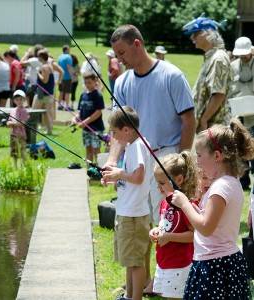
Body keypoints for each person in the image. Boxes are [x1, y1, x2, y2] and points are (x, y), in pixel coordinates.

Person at [107, 24, 196, 291]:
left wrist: (181, 161)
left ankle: (167, 280)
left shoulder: (171, 75)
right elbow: (116, 130)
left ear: (137, 44)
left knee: (166, 221)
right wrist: (112, 162)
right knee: (138, 220)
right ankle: (141, 282)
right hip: (134, 159)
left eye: (122, 52)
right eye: (116, 54)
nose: (119, 59)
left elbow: (188, 120)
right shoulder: (122, 81)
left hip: (165, 157)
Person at [171, 118, 254, 299]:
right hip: (222, 264)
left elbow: (206, 227)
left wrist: (185, 204)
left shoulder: (221, 187)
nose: (197, 162)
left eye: (199, 155)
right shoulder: (231, 183)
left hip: (215, 267)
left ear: (217, 156)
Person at [102, 106, 152, 300]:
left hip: (133, 215)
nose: (113, 137)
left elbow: (138, 177)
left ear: (126, 129)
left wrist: (120, 174)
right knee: (130, 261)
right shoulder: (133, 145)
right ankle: (129, 296)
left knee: (136, 262)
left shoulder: (138, 145)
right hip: (128, 212)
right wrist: (116, 178)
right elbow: (132, 178)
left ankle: (135, 297)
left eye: (114, 132)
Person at [149, 151, 197, 299]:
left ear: (179, 179)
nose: (159, 187)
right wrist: (156, 230)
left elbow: (194, 235)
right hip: (164, 261)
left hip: (180, 265)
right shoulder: (165, 202)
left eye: (162, 183)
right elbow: (167, 225)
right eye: (157, 183)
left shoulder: (186, 205)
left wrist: (169, 237)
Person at [183, 15, 232, 132]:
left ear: (208, 34)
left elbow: (219, 94)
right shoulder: (211, 57)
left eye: (195, 34)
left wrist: (204, 120)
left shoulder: (218, 58)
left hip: (215, 128)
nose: (192, 38)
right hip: (210, 127)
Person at [230, 36, 254, 190]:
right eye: (241, 54)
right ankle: (244, 181)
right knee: (240, 147)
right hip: (239, 115)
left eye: (245, 54)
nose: (243, 57)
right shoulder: (232, 66)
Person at [72, 74, 105, 163]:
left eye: (90, 82)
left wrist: (85, 122)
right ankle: (90, 171)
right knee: (88, 150)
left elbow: (98, 112)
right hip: (86, 129)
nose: (87, 85)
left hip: (96, 129)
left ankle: (100, 171)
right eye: (86, 83)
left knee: (96, 151)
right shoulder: (83, 95)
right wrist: (75, 118)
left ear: (95, 82)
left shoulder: (98, 95)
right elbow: (80, 111)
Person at [32, 49, 55, 135]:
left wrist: (38, 72)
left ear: (41, 57)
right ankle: (49, 131)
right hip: (49, 93)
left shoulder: (44, 67)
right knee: (46, 112)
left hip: (42, 92)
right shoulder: (49, 66)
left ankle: (33, 130)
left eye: (38, 56)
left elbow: (45, 80)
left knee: (34, 111)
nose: (37, 58)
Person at [6, 90, 30, 167]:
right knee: (14, 152)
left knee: (22, 151)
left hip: (21, 135)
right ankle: (15, 166)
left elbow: (22, 123)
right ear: (14, 100)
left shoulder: (24, 111)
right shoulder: (12, 110)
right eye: (17, 100)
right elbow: (9, 121)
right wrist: (8, 123)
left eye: (21, 99)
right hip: (13, 134)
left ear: (24, 100)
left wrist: (12, 123)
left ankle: (24, 166)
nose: (19, 101)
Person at [57, 45, 73, 110]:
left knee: (61, 91)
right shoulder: (68, 57)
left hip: (60, 77)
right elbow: (69, 67)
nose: (69, 51)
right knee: (67, 92)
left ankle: (59, 105)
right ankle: (66, 106)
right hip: (67, 77)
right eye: (69, 49)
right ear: (66, 50)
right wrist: (72, 76)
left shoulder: (59, 57)